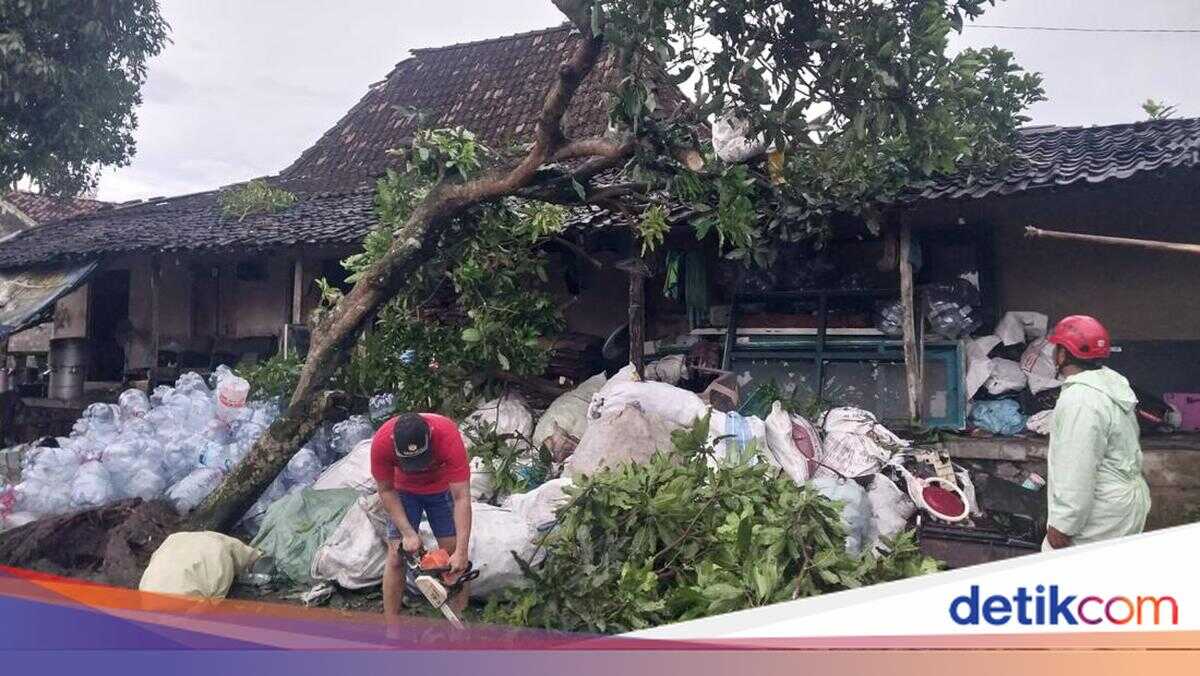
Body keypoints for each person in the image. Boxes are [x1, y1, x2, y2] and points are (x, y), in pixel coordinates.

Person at [1043, 315, 1150, 551]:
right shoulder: (1111, 386)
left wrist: (1064, 524)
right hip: (1123, 503)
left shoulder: (1080, 399)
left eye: (1056, 348)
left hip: (1102, 511)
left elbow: (1078, 465)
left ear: (1062, 355)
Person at [370, 412, 472, 630]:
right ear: (394, 444)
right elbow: (386, 490)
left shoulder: (447, 434)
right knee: (396, 555)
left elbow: (462, 496)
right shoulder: (381, 442)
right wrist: (408, 533)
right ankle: (392, 628)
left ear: (430, 436)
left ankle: (459, 623)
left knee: (453, 557)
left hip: (441, 488)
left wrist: (462, 551)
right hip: (402, 490)